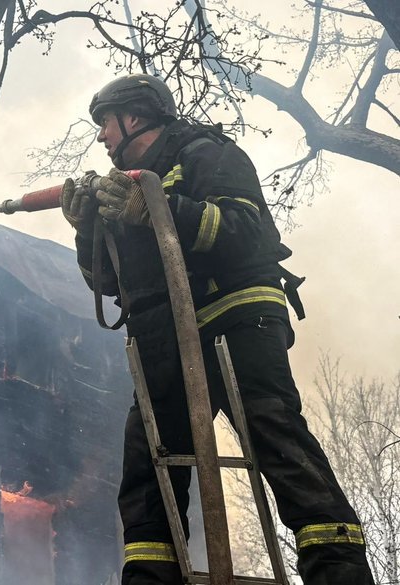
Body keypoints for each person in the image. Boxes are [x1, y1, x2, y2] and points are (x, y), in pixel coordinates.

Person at [61, 74, 374, 585]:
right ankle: (150, 578)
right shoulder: (126, 189)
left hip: (235, 321)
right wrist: (87, 232)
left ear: (133, 117)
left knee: (278, 442)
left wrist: (159, 209)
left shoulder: (206, 153)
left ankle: (337, 571)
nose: (102, 138)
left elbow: (245, 232)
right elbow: (112, 285)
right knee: (147, 472)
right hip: (165, 342)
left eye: (105, 125)